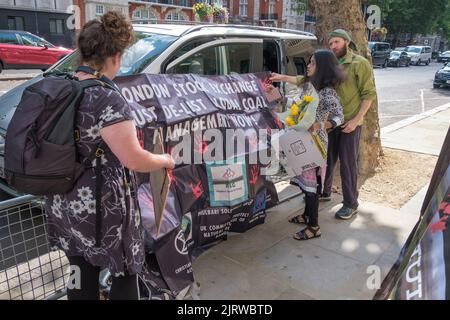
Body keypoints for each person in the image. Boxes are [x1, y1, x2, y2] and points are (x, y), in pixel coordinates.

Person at [44, 11, 175, 300]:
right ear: (115, 55)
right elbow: (134, 159)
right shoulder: (106, 97)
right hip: (102, 207)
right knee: (125, 270)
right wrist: (165, 160)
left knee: (80, 268)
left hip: (62, 199)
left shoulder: (62, 85)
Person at [274, 29, 377, 221]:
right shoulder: (330, 63)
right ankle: (324, 192)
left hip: (348, 123)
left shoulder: (359, 64)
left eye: (336, 42)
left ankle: (350, 204)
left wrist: (355, 121)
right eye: (330, 44)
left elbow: (368, 95)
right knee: (326, 161)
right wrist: (281, 78)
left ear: (347, 41)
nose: (333, 46)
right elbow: (305, 80)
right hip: (327, 124)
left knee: (347, 165)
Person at [270, 49, 345, 240]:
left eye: (312, 63)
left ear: (322, 68)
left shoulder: (328, 93)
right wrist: (275, 95)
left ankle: (314, 227)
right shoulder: (309, 87)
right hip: (300, 141)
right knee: (304, 185)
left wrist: (321, 124)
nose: (308, 66)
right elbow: (295, 106)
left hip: (314, 145)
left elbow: (339, 117)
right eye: (309, 62)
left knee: (312, 187)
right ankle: (306, 215)